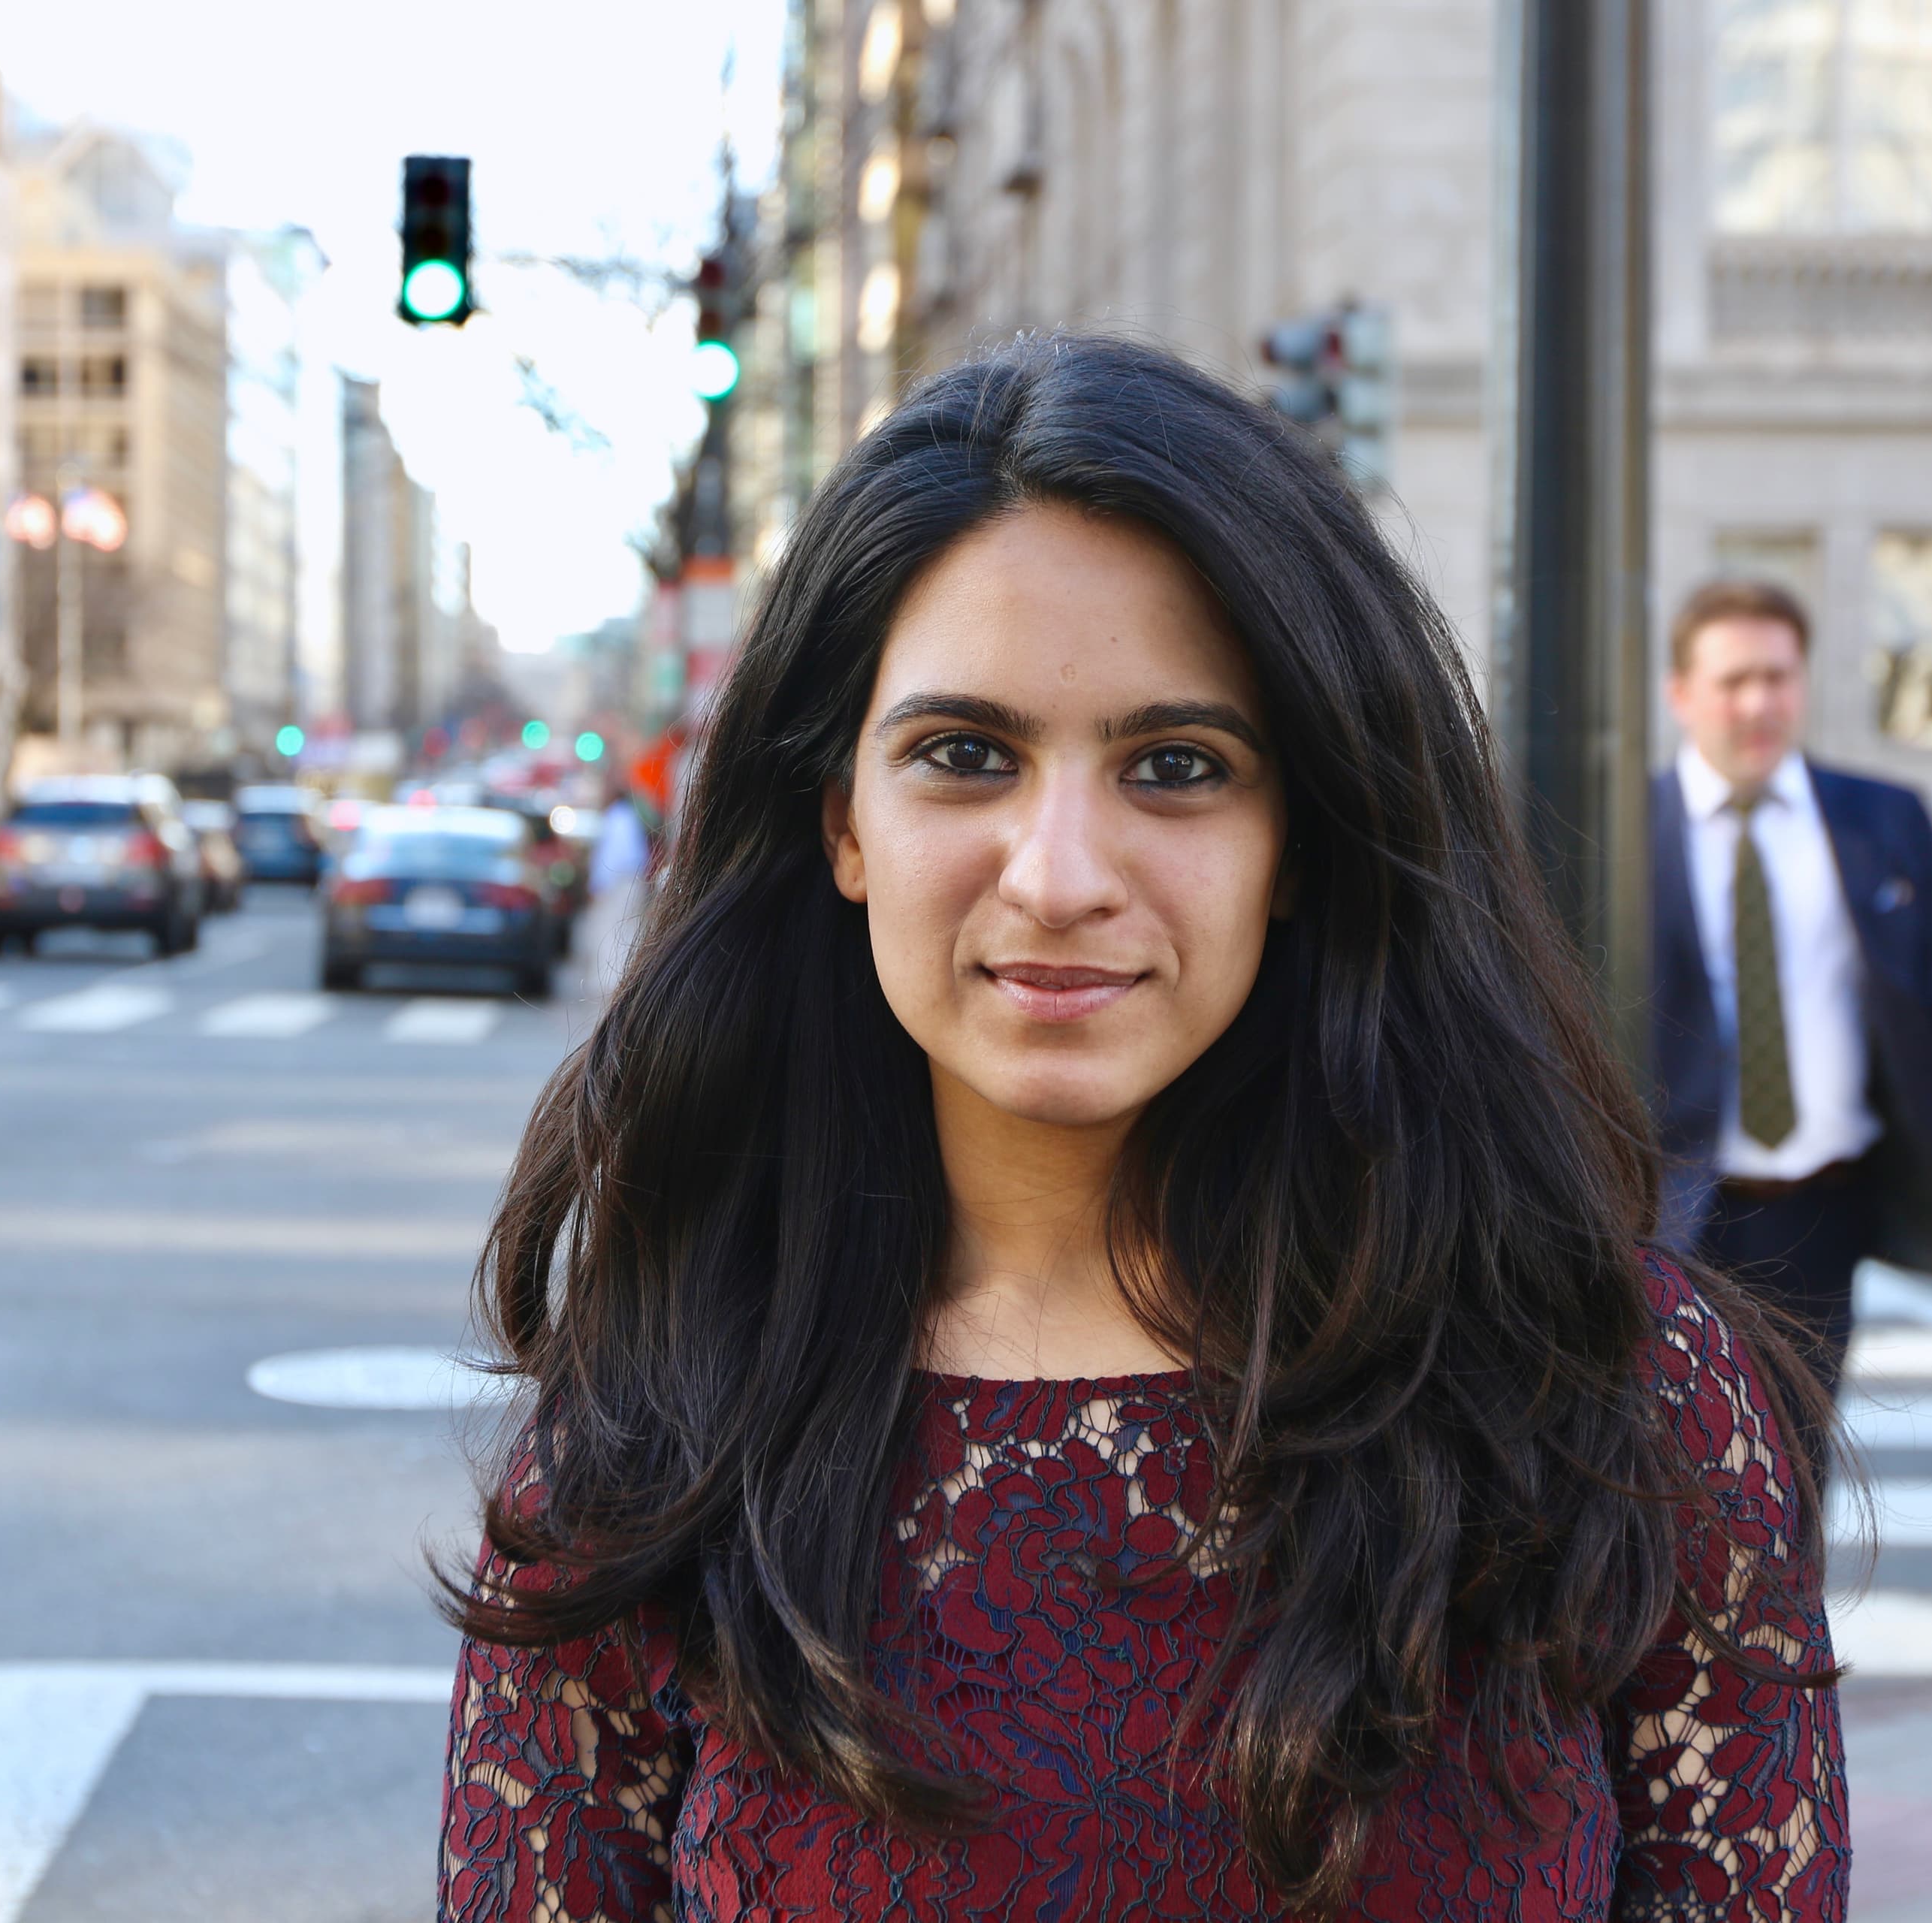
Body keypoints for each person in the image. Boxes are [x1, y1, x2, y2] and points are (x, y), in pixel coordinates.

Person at [439, 338, 1847, 1919]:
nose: (1057, 871)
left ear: (1299, 838)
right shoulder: (656, 1431)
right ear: (843, 818)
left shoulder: (1618, 1397)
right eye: (964, 756)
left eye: (1175, 767)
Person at [1652, 578, 1932, 1405]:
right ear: (1682, 694)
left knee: (1795, 1475)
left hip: (1824, 1215)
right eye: (1735, 680)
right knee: (1669, 1478)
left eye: (1779, 675)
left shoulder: (1883, 822)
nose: (1760, 701)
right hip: (1674, 1213)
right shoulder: (1621, 828)